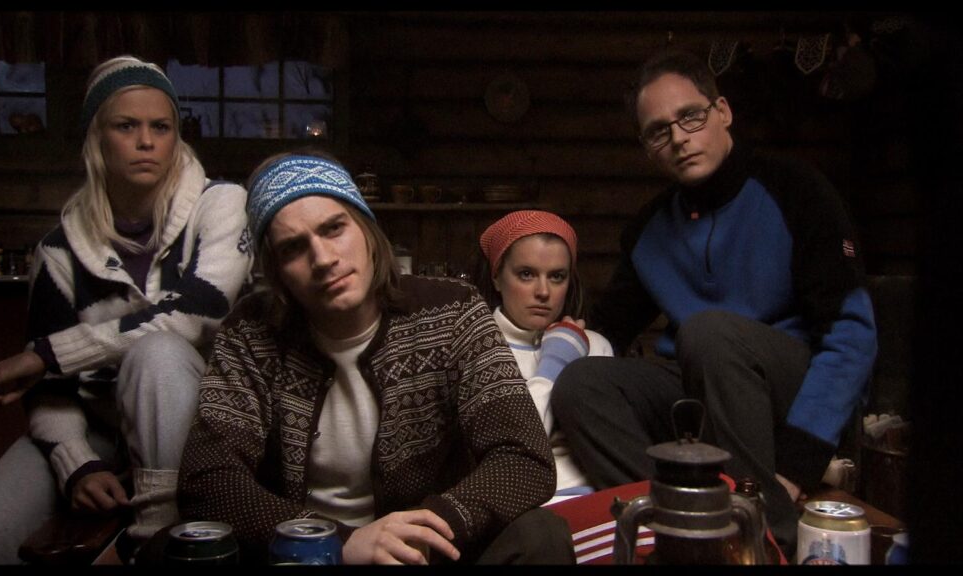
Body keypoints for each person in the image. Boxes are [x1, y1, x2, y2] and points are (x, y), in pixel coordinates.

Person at [550, 49, 878, 559]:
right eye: (658, 132)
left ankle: (765, 534)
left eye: (690, 117)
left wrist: (796, 466)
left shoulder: (797, 191)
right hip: (704, 385)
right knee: (582, 383)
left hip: (792, 391)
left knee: (708, 334)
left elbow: (853, 335)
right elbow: (605, 329)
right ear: (648, 149)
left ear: (722, 112)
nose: (679, 138)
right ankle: (680, 521)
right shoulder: (650, 228)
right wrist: (541, 348)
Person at [177, 151, 573, 565]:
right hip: (307, 555)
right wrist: (339, 542)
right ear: (276, 271)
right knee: (166, 548)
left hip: (428, 551)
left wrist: (424, 530)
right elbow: (207, 479)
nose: (323, 259)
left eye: (334, 228)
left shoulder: (453, 311)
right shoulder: (251, 333)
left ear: (366, 228)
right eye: (293, 248)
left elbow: (524, 457)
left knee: (541, 533)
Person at [0, 55, 253, 564]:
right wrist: (78, 465)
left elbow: (200, 312)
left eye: (161, 127)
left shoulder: (221, 204)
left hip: (200, 419)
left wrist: (48, 353)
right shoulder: (59, 252)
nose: (146, 141)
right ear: (96, 138)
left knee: (157, 353)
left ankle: (155, 544)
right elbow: (49, 389)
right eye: (126, 126)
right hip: (99, 425)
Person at [474, 210, 613, 504]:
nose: (543, 291)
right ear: (497, 277)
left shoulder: (595, 345)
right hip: (522, 507)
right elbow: (512, 447)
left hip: (598, 501)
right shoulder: (477, 347)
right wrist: (555, 362)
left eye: (557, 277)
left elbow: (608, 447)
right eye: (526, 274)